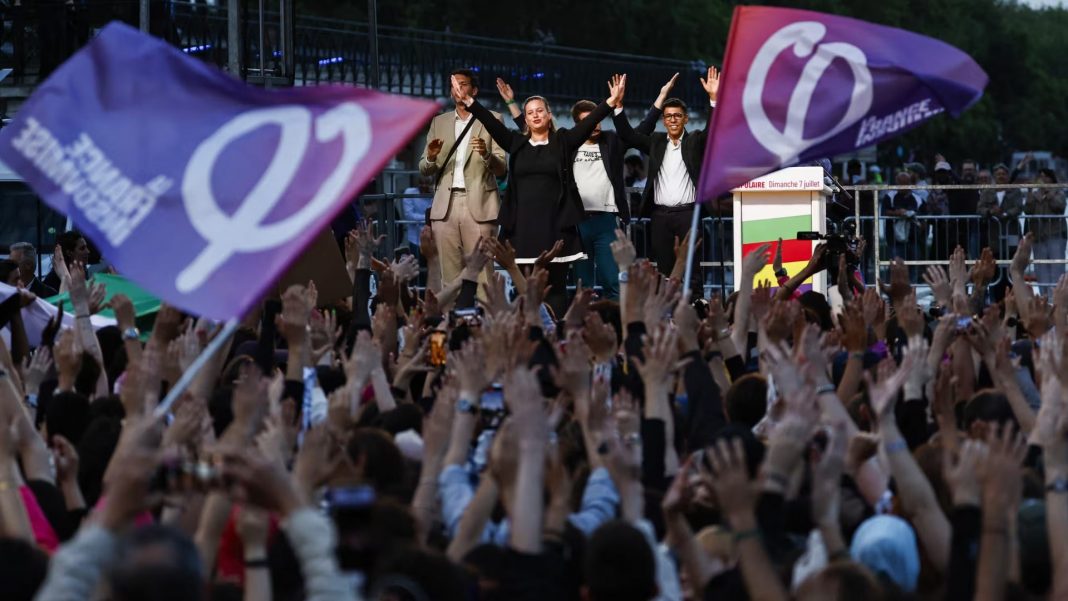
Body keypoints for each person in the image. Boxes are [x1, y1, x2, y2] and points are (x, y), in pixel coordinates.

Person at [450, 72, 626, 316]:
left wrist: (610, 101)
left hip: (556, 228)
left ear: (549, 115)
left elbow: (587, 124)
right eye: (530, 112)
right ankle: (530, 335)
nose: (535, 115)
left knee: (555, 289)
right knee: (526, 291)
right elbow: (490, 123)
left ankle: (556, 336)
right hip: (523, 230)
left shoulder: (563, 140)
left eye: (540, 110)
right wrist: (469, 101)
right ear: (526, 119)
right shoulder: (516, 143)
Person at [612, 67, 721, 279]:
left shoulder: (695, 140)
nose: (672, 120)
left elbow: (712, 132)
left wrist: (713, 100)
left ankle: (696, 308)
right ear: (663, 120)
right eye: (668, 116)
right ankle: (666, 311)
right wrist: (617, 106)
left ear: (686, 119)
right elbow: (629, 135)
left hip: (688, 215)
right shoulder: (656, 142)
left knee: (693, 270)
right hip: (660, 216)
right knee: (663, 270)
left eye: (677, 116)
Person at [419, 68, 508, 286]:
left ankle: (487, 320)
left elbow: (502, 168)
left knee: (483, 276)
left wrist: (486, 155)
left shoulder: (493, 119)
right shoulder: (438, 122)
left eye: (463, 84)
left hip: (480, 204)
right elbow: (423, 168)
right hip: (445, 208)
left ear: (474, 90)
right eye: (454, 84)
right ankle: (452, 320)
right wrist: (430, 157)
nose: (458, 88)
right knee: (449, 277)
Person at [1024, 168, 1066, 294]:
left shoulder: (1059, 192)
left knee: (1056, 269)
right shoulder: (1035, 194)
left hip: (1055, 235)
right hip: (1038, 236)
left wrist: (1050, 194)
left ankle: (1057, 298)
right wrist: (1030, 193)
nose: (1043, 179)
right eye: (1040, 176)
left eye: (1046, 176)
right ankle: (1044, 298)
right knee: (1040, 269)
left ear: (1051, 178)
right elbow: (1027, 210)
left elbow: (1060, 207)